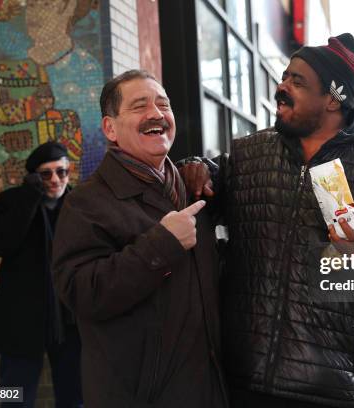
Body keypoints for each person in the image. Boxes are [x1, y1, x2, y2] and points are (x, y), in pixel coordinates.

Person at [179, 33, 354, 407]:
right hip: (242, 376)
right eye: (285, 76)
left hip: (335, 388)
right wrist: (195, 168)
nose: (282, 87)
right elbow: (210, 183)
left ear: (332, 97)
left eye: (297, 81)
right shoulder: (249, 153)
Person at [51, 70, 228, 408]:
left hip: (208, 390)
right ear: (110, 128)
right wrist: (161, 245)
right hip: (138, 396)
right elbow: (82, 294)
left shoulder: (192, 189)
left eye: (164, 104)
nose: (156, 114)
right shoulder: (86, 202)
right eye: (139, 106)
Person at [0, 141, 83, 408]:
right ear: (33, 177)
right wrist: (30, 197)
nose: (55, 180)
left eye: (61, 172)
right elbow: (2, 244)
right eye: (46, 174)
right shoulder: (10, 201)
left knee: (74, 397)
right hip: (22, 321)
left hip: (69, 320)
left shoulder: (79, 204)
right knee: (15, 398)